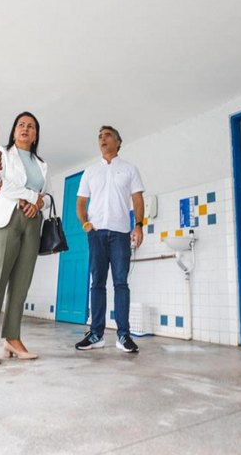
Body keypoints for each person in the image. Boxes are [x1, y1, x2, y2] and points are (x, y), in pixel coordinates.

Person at [0, 112, 48, 364]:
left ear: (36, 134)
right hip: (4, 218)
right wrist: (31, 197)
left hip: (31, 221)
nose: (26, 128)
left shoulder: (42, 164)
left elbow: (43, 195)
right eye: (21, 125)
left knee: (21, 282)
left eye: (31, 126)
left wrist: (38, 204)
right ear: (14, 130)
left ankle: (12, 339)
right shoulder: (0, 153)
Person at [75, 126, 145, 353]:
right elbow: (80, 202)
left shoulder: (129, 169)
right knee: (97, 283)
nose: (102, 139)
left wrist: (139, 226)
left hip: (121, 233)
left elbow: (137, 199)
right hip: (96, 233)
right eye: (100, 136)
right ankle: (96, 334)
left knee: (121, 283)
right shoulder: (90, 171)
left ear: (118, 141)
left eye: (107, 135)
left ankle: (123, 336)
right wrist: (85, 224)